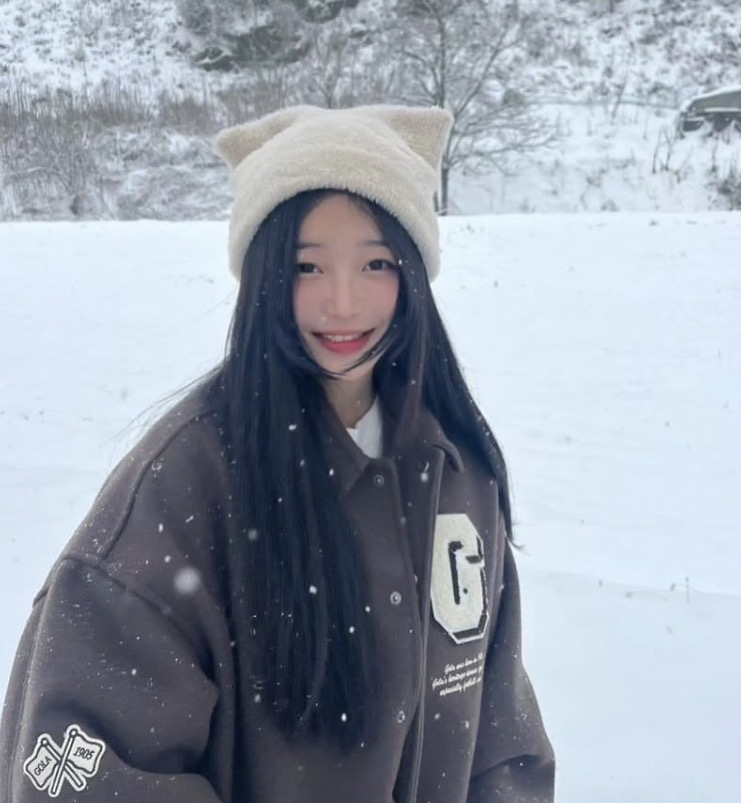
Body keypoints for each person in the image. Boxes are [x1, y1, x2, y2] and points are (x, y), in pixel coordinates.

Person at [0, 104, 554, 803]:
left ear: (414, 273)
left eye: (376, 263)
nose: (342, 302)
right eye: (306, 266)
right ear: (261, 278)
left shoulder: (457, 474)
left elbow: (503, 746)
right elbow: (88, 776)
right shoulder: (181, 492)